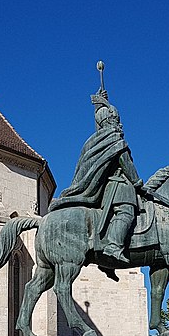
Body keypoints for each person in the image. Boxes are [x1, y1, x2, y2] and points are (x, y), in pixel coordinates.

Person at [49, 90, 143, 263]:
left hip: (108, 187)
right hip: (119, 188)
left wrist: (101, 105)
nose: (119, 124)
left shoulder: (96, 140)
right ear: (109, 121)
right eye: (116, 120)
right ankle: (114, 245)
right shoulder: (115, 140)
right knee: (126, 213)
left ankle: (107, 263)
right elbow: (126, 165)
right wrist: (138, 182)